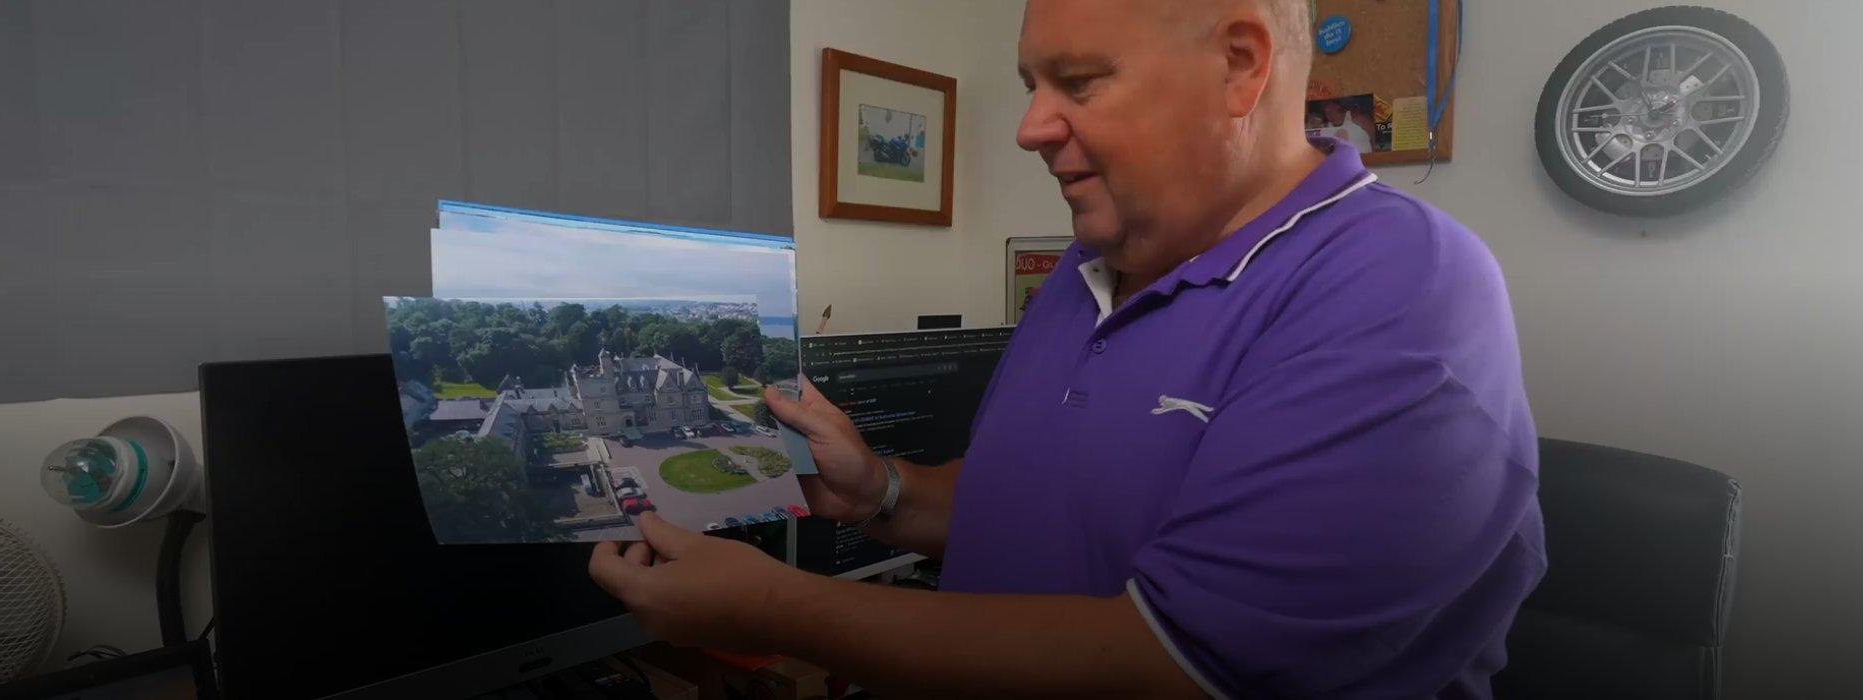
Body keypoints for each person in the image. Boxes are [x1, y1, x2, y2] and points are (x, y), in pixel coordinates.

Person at [588, 1, 1544, 697]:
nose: (1029, 128)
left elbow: (1167, 669)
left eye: (1079, 82)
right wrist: (879, 489)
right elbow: (1031, 505)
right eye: (1031, 86)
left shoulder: (1400, 283)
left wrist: (772, 609)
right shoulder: (1091, 265)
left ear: (1240, 63)